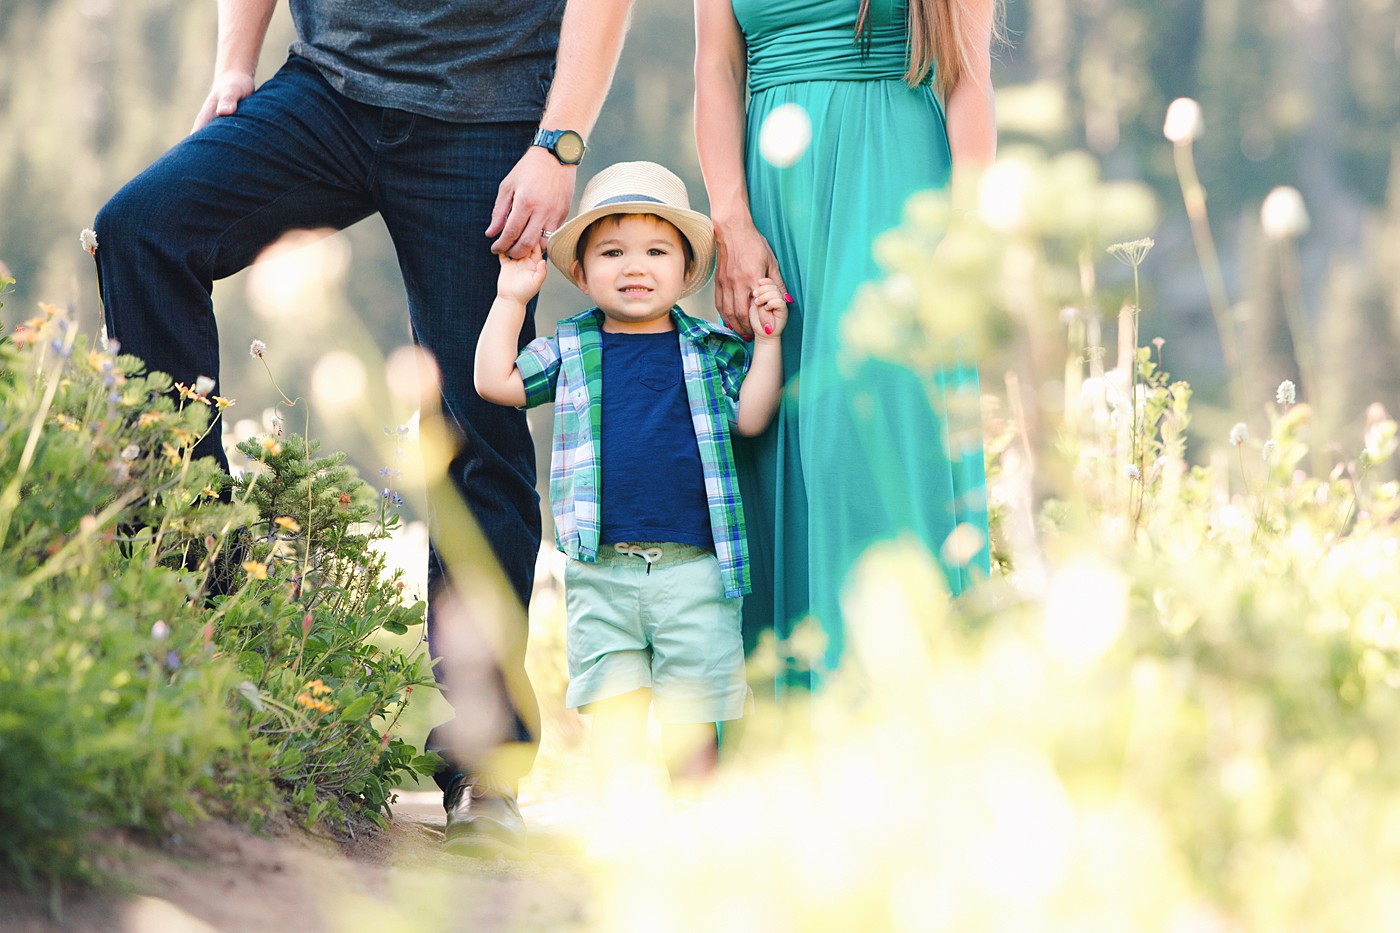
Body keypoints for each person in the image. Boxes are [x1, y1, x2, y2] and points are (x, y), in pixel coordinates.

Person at [91, 0, 636, 856]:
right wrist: (236, 63)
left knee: (476, 427)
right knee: (142, 230)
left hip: (488, 119)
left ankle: (486, 767)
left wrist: (558, 141)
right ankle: (196, 629)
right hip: (327, 93)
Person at [693, 0, 1000, 689]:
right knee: (774, 435)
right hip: (773, 198)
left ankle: (891, 705)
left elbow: (968, 76)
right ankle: (789, 731)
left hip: (896, 183)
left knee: (861, 431)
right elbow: (715, 67)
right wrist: (731, 226)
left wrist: (961, 228)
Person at [474, 161, 787, 799]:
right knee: (613, 713)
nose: (635, 267)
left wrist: (769, 342)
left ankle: (695, 832)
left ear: (685, 270)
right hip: (601, 572)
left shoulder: (708, 347)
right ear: (584, 273)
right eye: (612, 252)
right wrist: (511, 299)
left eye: (656, 251)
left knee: (693, 718)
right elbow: (494, 382)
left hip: (694, 570)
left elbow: (751, 418)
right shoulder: (570, 348)